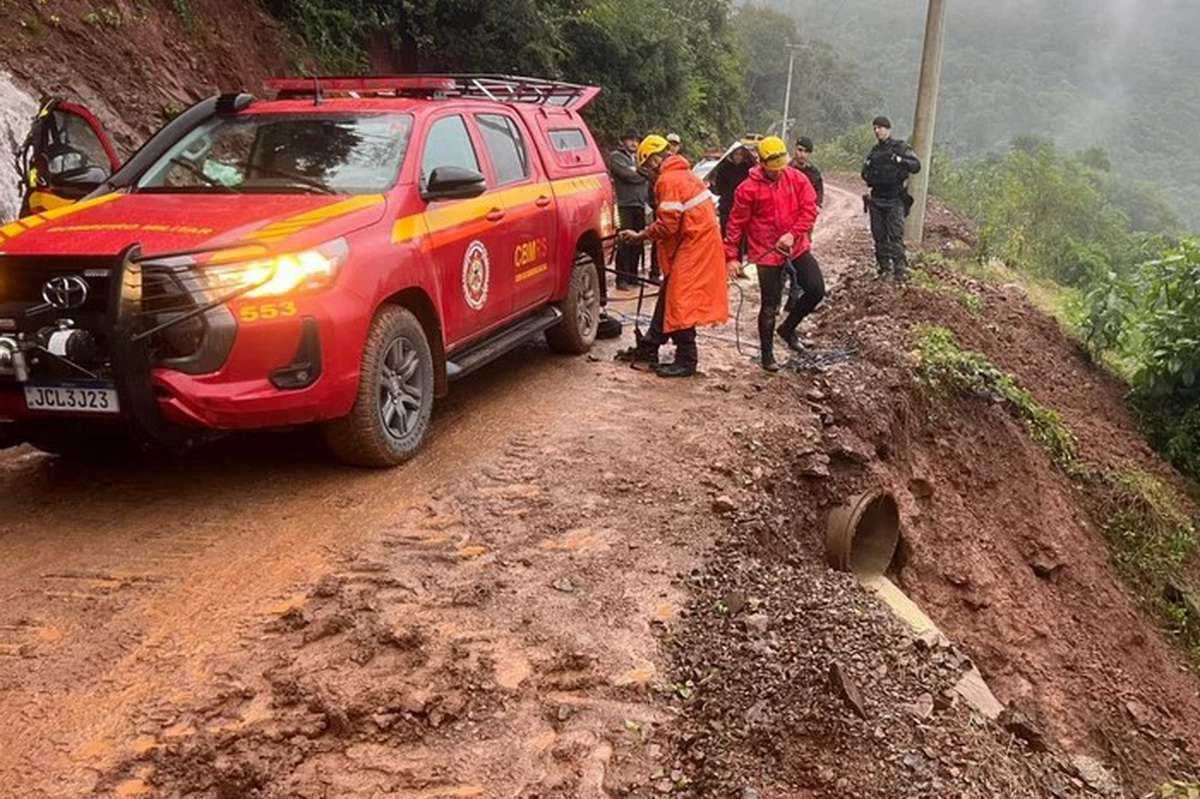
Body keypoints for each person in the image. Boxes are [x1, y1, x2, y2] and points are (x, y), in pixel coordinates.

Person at [614, 135, 730, 378]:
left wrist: (640, 235)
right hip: (697, 241)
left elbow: (668, 225)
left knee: (680, 298)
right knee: (669, 293)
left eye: (647, 168)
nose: (648, 174)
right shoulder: (683, 174)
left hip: (697, 244)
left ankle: (687, 359)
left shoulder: (669, 180)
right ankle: (649, 347)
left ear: (654, 160)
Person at [723, 136, 822, 372]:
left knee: (816, 289)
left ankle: (788, 329)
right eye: (773, 168)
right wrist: (731, 257)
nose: (778, 172)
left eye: (781, 167)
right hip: (766, 251)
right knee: (770, 304)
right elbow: (736, 224)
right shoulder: (747, 189)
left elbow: (810, 209)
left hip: (795, 246)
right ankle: (767, 355)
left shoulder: (797, 179)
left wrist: (793, 234)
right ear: (762, 162)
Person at [861, 116, 921, 281]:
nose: (877, 131)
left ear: (888, 129)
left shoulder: (900, 148)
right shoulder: (874, 152)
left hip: (895, 199)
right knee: (879, 236)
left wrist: (899, 160)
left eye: (880, 127)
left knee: (895, 236)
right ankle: (884, 269)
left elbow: (916, 165)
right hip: (877, 199)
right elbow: (865, 173)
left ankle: (900, 270)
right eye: (875, 128)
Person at [609, 128, 649, 289]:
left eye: (636, 140)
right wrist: (643, 174)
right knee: (624, 241)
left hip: (640, 205)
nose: (634, 143)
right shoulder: (616, 157)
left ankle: (633, 277)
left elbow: (641, 174)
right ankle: (622, 279)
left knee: (638, 242)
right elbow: (629, 176)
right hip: (624, 205)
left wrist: (639, 172)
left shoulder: (638, 159)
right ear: (623, 141)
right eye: (630, 139)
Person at [709, 144, 754, 277]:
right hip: (727, 206)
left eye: (741, 154)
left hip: (742, 207)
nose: (738, 157)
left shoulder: (747, 168)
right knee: (725, 236)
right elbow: (718, 187)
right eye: (736, 154)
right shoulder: (724, 167)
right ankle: (723, 266)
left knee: (741, 238)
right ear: (731, 155)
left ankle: (738, 266)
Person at [790, 136, 825, 208]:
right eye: (800, 150)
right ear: (795, 149)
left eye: (806, 151)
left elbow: (819, 192)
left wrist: (817, 206)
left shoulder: (814, 173)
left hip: (806, 210)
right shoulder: (785, 170)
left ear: (809, 154)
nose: (802, 154)